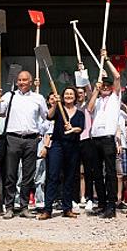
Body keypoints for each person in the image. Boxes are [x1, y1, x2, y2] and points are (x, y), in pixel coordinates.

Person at [0, 71, 49, 219]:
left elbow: (46, 117)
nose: (22, 82)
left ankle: (24, 206)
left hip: (31, 139)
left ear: (31, 82)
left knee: (28, 175)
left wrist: (41, 133)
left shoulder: (38, 98)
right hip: (13, 138)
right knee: (11, 174)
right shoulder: (9, 96)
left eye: (25, 80)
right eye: (19, 80)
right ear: (16, 82)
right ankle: (10, 206)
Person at [85, 55, 124, 219]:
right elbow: (89, 107)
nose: (106, 87)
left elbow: (117, 76)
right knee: (96, 173)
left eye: (108, 86)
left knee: (110, 173)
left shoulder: (115, 98)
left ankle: (111, 205)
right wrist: (95, 90)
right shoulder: (98, 99)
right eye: (104, 86)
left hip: (108, 138)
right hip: (95, 139)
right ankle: (101, 202)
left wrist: (106, 59)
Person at [40, 87, 84, 220]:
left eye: (71, 94)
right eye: (66, 94)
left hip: (73, 146)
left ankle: (67, 208)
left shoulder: (80, 114)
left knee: (70, 177)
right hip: (57, 145)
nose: (69, 96)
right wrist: (54, 104)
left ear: (75, 97)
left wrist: (72, 129)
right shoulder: (59, 109)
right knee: (53, 176)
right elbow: (49, 116)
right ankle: (47, 209)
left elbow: (80, 129)